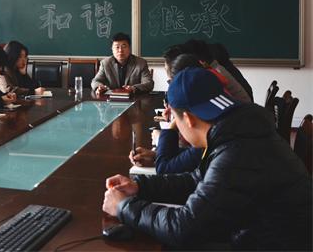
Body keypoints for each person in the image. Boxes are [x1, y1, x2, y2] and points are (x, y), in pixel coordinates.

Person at [103, 67, 312, 250]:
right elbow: (198, 179)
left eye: (175, 119)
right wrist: (139, 186)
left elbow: (184, 228)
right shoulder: (236, 130)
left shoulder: (236, 150)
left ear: (187, 119)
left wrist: (124, 207)